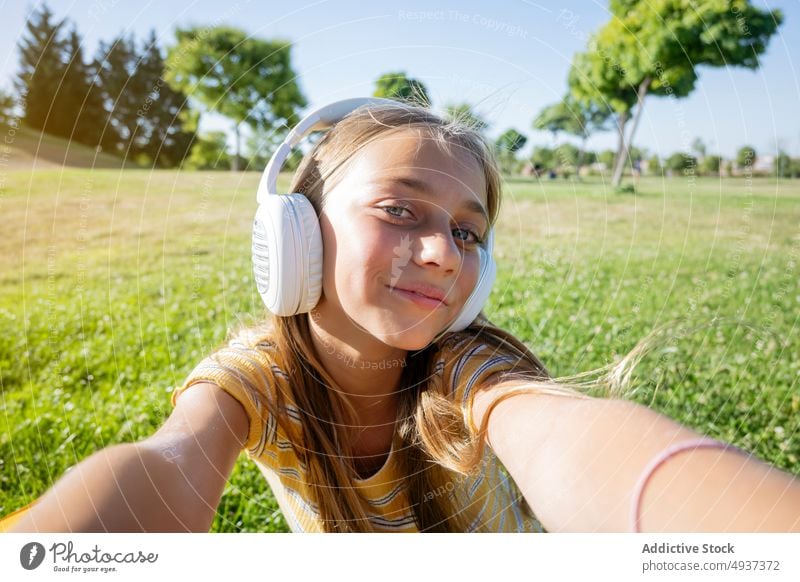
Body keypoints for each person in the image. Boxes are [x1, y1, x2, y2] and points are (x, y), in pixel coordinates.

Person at [4, 99, 799, 533]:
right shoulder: (256, 382)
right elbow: (167, 464)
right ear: (297, 235)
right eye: (399, 210)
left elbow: (573, 438)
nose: (444, 254)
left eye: (466, 232)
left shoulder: (466, 366)